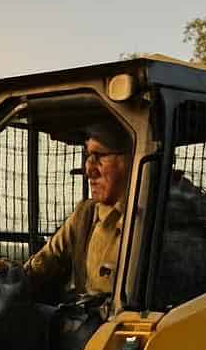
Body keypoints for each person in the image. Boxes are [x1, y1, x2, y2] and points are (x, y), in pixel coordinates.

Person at [21, 119, 133, 303]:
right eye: (89, 156)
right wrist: (7, 277)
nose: (89, 169)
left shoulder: (170, 219)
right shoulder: (85, 216)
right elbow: (44, 264)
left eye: (100, 155)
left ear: (131, 159)